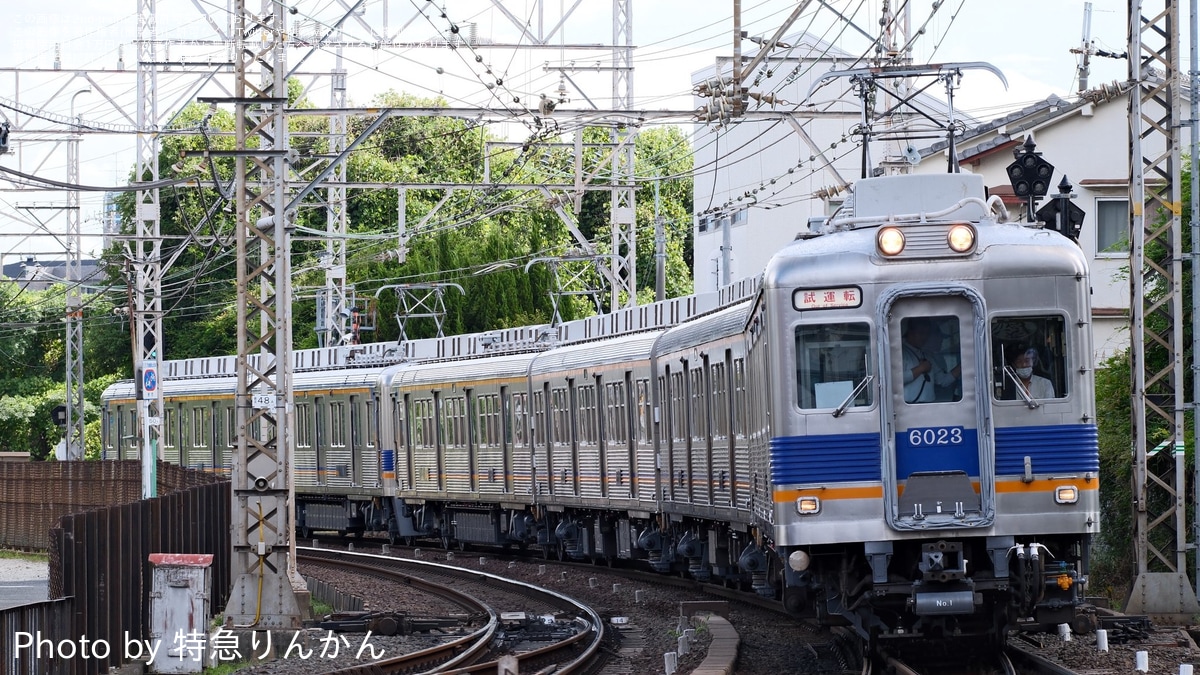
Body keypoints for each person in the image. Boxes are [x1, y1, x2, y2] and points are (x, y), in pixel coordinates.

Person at [901, 318, 961, 403]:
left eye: (927, 334)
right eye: (921, 333)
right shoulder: (901, 353)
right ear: (910, 332)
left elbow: (942, 380)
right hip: (909, 407)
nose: (924, 337)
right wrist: (920, 369)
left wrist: (962, 366)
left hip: (929, 406)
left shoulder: (927, 356)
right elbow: (896, 380)